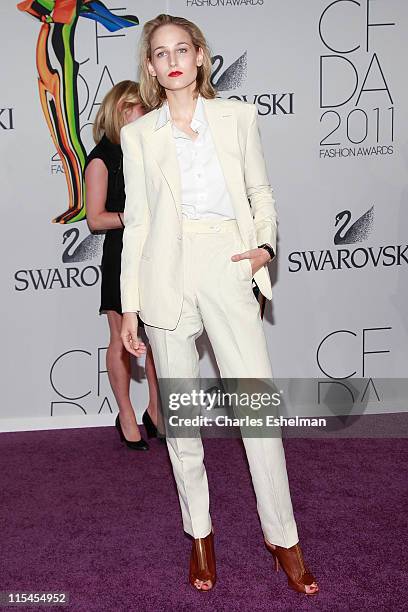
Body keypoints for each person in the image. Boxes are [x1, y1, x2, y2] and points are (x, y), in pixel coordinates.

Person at [120, 14, 319, 595]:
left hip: (228, 263)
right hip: (165, 274)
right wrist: (131, 305)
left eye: (183, 48)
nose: (173, 59)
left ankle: (283, 537)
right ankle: (200, 534)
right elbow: (137, 223)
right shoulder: (139, 135)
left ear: (202, 55)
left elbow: (260, 190)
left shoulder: (238, 118)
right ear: (151, 67)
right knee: (182, 421)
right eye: (160, 53)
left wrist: (263, 246)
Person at [85, 81, 160, 451]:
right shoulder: (101, 157)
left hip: (157, 253)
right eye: (139, 107)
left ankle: (157, 412)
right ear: (121, 109)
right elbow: (95, 220)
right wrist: (136, 216)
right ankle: (127, 415)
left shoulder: (149, 149)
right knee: (120, 339)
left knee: (160, 338)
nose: (146, 113)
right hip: (120, 254)